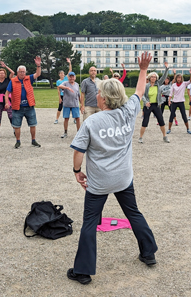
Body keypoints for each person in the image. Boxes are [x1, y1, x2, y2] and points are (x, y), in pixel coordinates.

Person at [67, 52, 158, 285]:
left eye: (98, 93)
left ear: (105, 100)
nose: (96, 95)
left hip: (99, 183)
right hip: (124, 178)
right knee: (133, 213)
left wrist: (77, 171)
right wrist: (144, 69)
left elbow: (79, 151)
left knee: (89, 222)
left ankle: (83, 271)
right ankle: (148, 253)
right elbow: (139, 92)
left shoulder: (92, 122)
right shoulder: (128, 112)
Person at [5, 57, 42, 148]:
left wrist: (38, 65)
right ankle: (18, 141)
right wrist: (7, 102)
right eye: (21, 72)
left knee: (33, 124)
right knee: (17, 125)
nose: (22, 73)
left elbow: (38, 73)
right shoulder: (13, 81)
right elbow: (7, 93)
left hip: (29, 106)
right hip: (17, 107)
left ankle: (33, 140)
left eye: (24, 72)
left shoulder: (29, 78)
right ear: (17, 72)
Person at [139, 61, 170, 143]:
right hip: (148, 105)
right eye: (152, 77)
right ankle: (140, 137)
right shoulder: (146, 86)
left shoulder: (158, 84)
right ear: (149, 78)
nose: (153, 78)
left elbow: (164, 77)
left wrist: (166, 68)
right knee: (145, 121)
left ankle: (164, 136)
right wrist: (146, 102)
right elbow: (143, 95)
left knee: (161, 120)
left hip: (156, 105)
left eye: (154, 77)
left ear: (156, 78)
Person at [0, 63, 15, 138]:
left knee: (10, 115)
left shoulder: (8, 80)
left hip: (7, 99)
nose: (2, 74)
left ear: (5, 74)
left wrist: (6, 66)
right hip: (0, 100)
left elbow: (13, 73)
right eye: (0, 73)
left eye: (3, 73)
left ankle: (14, 130)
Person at [57, 71, 82, 138]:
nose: (71, 78)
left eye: (72, 76)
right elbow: (59, 86)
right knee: (66, 118)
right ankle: (65, 132)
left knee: (77, 118)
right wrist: (67, 88)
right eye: (70, 77)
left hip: (75, 104)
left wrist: (81, 104)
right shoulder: (65, 83)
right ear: (68, 77)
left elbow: (79, 95)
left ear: (75, 77)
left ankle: (78, 132)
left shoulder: (77, 84)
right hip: (67, 104)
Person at [55, 58, 71, 124]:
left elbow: (70, 70)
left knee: (70, 107)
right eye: (61, 74)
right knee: (60, 108)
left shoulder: (66, 78)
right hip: (62, 95)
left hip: (68, 95)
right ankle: (56, 119)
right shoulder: (58, 81)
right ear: (59, 74)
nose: (62, 74)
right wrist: (59, 98)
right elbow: (58, 90)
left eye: (63, 73)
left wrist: (69, 63)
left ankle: (74, 119)